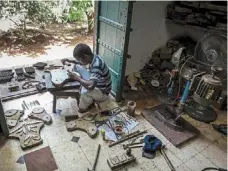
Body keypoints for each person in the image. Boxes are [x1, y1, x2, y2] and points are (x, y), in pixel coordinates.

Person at [62, 43, 111, 113]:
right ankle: (89, 100)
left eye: (80, 59)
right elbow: (81, 63)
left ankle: (83, 108)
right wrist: (70, 60)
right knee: (78, 67)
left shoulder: (97, 65)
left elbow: (91, 86)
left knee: (85, 92)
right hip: (97, 83)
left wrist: (76, 77)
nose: (79, 61)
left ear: (85, 57)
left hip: (103, 92)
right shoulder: (93, 57)